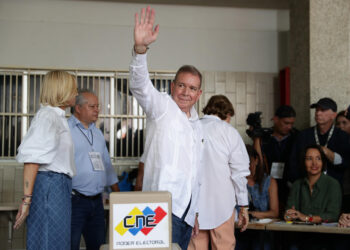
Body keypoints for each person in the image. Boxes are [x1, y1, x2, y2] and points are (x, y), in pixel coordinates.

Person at [129, 7, 203, 249]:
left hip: (185, 213)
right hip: (159, 208)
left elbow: (195, 174)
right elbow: (140, 85)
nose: (186, 92)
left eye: (192, 88)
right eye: (181, 85)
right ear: (173, 87)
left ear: (199, 94)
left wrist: (194, 214)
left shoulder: (197, 124)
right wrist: (140, 50)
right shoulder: (161, 106)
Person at [14, 70, 78, 250]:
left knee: (57, 242)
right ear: (62, 90)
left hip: (59, 186)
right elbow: (32, 160)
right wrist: (26, 201)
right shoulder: (48, 117)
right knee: (48, 241)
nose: (76, 93)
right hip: (50, 186)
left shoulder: (58, 117)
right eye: (73, 89)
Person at [188, 95, 250, 250]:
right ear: (227, 114)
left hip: (193, 207)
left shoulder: (190, 128)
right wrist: (244, 206)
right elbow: (239, 173)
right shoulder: (229, 132)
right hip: (223, 205)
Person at [68, 90, 120, 250]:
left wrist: (118, 196)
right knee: (70, 245)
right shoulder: (65, 130)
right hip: (74, 201)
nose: (97, 110)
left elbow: (106, 166)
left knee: (98, 246)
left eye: (98, 106)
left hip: (97, 203)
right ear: (78, 108)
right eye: (92, 106)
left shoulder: (97, 133)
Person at [284, 145, 342, 250]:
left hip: (325, 238)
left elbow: (332, 215)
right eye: (309, 159)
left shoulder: (332, 184)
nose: (314, 163)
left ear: (323, 162)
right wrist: (289, 215)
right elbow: (288, 212)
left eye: (318, 158)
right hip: (300, 236)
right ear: (303, 162)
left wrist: (306, 218)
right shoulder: (297, 184)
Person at [288, 97, 350, 185]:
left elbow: (345, 163)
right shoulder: (303, 135)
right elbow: (293, 163)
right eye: (316, 110)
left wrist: (330, 154)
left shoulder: (342, 136)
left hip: (333, 187)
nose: (318, 113)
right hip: (307, 187)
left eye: (323, 110)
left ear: (334, 115)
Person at [235, 144, 279, 250]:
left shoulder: (269, 182)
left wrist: (252, 214)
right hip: (239, 231)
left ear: (256, 160)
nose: (247, 167)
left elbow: (274, 213)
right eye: (242, 164)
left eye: (249, 162)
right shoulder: (234, 182)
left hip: (262, 232)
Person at [260, 105, 297, 216]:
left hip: (289, 186)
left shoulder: (297, 137)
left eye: (292, 124)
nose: (289, 127)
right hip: (267, 186)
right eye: (286, 123)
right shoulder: (264, 138)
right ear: (275, 119)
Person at [335, 110, 350, 213]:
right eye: (338, 124)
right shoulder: (334, 142)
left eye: (344, 123)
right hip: (339, 190)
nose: (341, 126)